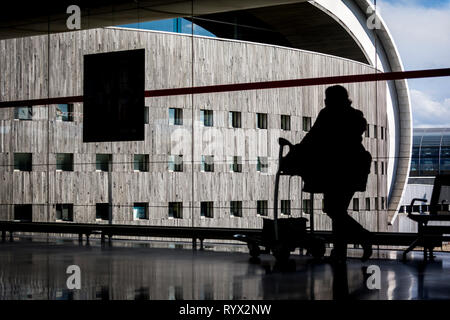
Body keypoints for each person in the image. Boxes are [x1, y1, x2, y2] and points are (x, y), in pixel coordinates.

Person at [285, 85, 373, 263]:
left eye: (327, 97)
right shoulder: (355, 116)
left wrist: (292, 155)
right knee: (338, 210)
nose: (325, 101)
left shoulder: (328, 114)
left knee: (333, 209)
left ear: (331, 99)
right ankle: (340, 251)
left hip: (336, 169)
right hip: (354, 167)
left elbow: (312, 138)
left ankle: (363, 236)